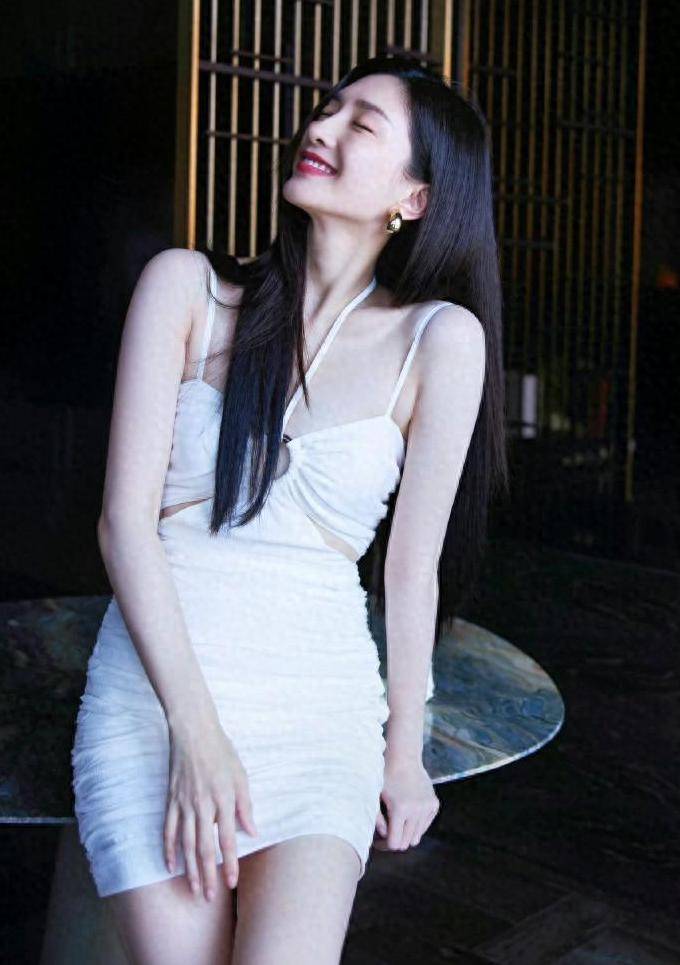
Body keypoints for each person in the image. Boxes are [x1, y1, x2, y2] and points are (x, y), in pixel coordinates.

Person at [71, 53, 507, 965]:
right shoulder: (186, 289)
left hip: (318, 715)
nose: (322, 128)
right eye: (328, 109)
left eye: (362, 124)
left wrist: (403, 751)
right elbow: (124, 526)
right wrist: (196, 735)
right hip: (157, 705)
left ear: (416, 198)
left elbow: (410, 568)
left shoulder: (440, 340)